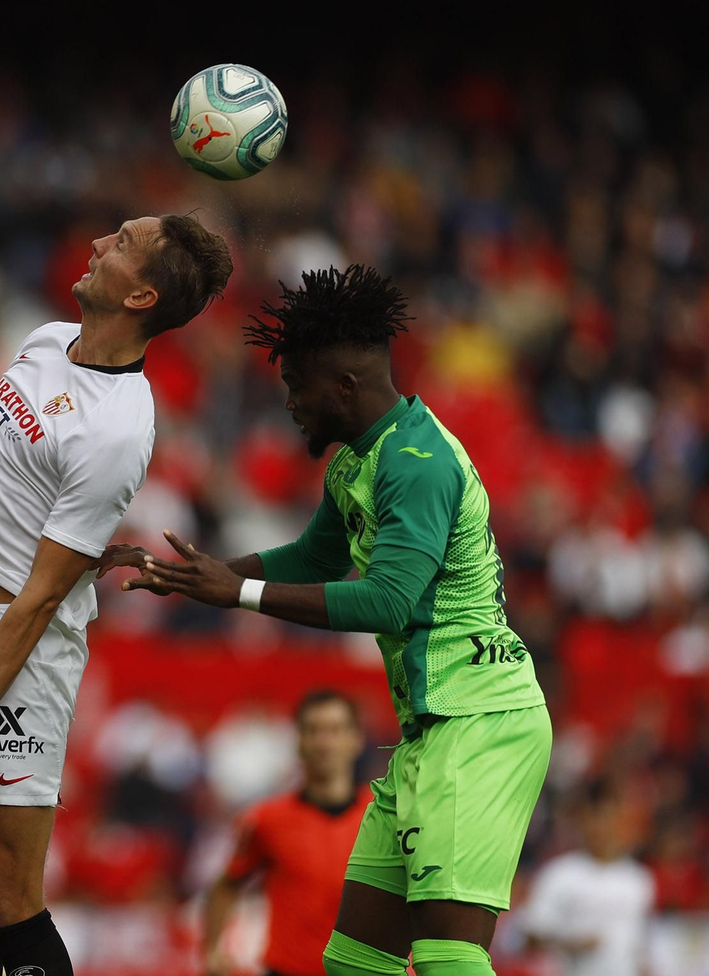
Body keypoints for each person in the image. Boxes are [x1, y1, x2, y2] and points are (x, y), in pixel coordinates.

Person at [109, 265, 551, 976]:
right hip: (430, 731)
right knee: (354, 962)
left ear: (343, 386)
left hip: (480, 721)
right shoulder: (357, 462)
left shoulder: (419, 462)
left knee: (446, 956)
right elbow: (315, 557)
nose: (290, 403)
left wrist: (239, 594)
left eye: (297, 386)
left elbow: (387, 600)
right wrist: (200, 576)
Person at [0, 214, 233, 976]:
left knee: (10, 893)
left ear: (142, 296)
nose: (96, 246)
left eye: (121, 245)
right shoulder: (48, 340)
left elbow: (44, 596)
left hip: (20, 659)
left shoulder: (117, 428)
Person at [201, 689, 372, 976]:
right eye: (313, 731)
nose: (324, 742)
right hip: (288, 969)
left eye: (335, 730)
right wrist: (212, 950)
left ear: (357, 739)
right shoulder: (266, 820)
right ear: (298, 741)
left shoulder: (384, 816)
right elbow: (228, 884)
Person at [523, 782, 654, 976]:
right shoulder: (559, 874)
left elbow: (641, 944)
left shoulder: (638, 879)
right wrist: (570, 944)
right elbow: (531, 936)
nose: (602, 829)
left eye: (608, 820)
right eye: (595, 820)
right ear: (582, 823)